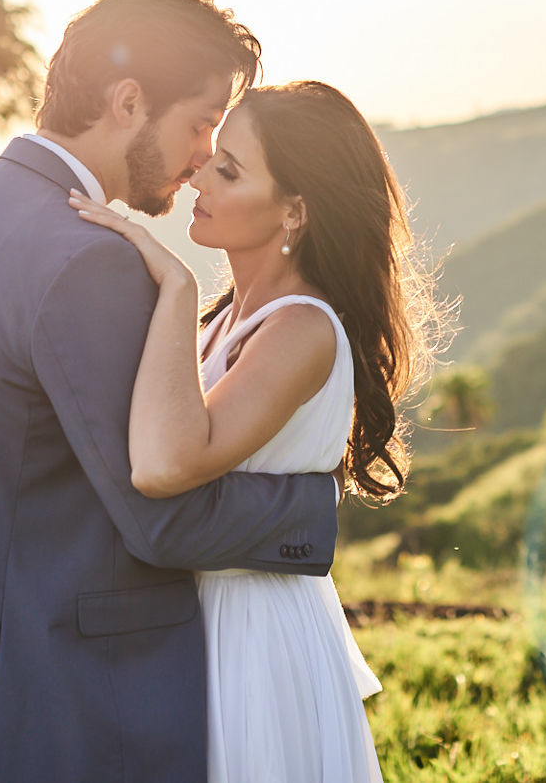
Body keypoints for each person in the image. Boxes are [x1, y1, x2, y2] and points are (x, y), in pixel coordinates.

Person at [0, 0, 341, 783]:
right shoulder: (88, 262)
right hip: (56, 709)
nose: (198, 161)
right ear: (127, 101)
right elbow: (163, 518)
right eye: (198, 125)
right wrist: (313, 505)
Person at [71, 78, 444, 783]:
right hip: (193, 620)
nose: (198, 177)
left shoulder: (302, 328)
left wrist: (175, 290)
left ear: (294, 213)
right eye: (211, 155)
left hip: (253, 636)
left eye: (230, 171)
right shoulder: (225, 322)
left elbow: (165, 465)